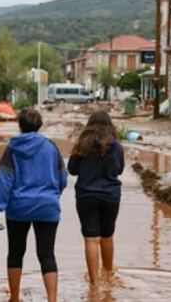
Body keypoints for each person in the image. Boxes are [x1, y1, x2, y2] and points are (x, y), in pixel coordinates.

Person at [0, 108, 67, 302]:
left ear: (20, 125)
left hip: (18, 208)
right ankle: (52, 299)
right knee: (47, 254)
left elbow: (3, 182)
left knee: (16, 253)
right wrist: (53, 195)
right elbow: (63, 177)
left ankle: (15, 298)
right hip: (47, 206)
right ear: (39, 125)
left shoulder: (12, 149)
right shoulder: (51, 147)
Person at [67, 111, 124, 285]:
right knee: (107, 236)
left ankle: (94, 284)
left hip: (86, 195)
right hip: (110, 196)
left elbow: (72, 169)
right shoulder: (116, 146)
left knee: (91, 239)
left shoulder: (82, 146)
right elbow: (119, 170)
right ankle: (108, 274)